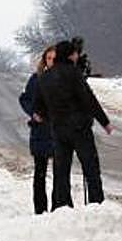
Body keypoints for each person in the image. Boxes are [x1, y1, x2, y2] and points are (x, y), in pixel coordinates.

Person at [32, 39, 113, 209]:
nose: (77, 56)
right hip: (79, 128)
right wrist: (104, 122)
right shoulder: (74, 74)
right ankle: (96, 203)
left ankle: (62, 206)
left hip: (58, 130)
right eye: (75, 53)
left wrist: (50, 117)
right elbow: (89, 99)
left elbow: (39, 107)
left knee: (61, 171)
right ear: (70, 55)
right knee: (90, 168)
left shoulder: (44, 77)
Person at [18, 45, 56, 215]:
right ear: (44, 60)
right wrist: (33, 113)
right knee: (40, 174)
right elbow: (24, 99)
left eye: (55, 59)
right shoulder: (36, 79)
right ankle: (40, 211)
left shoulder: (66, 79)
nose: (51, 62)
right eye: (49, 58)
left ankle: (59, 209)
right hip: (40, 132)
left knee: (61, 175)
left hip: (59, 132)